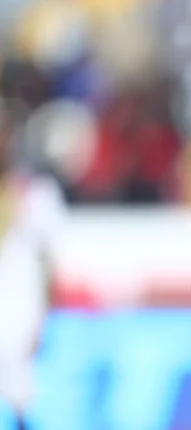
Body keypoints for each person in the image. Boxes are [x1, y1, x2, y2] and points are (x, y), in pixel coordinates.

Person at [0, 104, 67, 430]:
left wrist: (46, 314)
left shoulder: (37, 193)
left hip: (19, 309)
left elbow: (49, 260)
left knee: (20, 393)